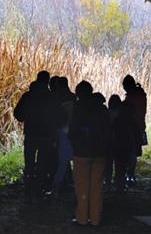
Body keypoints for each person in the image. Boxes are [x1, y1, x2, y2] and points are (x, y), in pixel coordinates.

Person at [68, 81, 109, 226]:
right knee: (96, 186)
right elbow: (108, 130)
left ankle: (82, 218)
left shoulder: (78, 108)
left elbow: (72, 130)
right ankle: (96, 218)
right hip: (99, 153)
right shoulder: (102, 109)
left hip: (81, 152)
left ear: (78, 94)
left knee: (82, 186)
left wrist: (74, 143)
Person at [14, 71, 57, 202]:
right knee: (42, 164)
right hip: (46, 136)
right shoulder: (51, 97)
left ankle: (28, 191)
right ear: (47, 81)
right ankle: (39, 191)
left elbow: (18, 114)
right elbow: (58, 117)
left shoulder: (28, 96)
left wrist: (28, 118)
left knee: (29, 164)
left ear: (37, 79)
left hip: (31, 134)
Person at [49, 76, 74, 194]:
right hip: (74, 132)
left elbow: (58, 118)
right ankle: (71, 183)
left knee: (62, 161)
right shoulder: (74, 98)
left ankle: (56, 187)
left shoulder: (58, 99)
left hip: (63, 132)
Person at [122, 75, 147, 186]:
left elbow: (129, 112)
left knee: (129, 152)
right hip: (139, 126)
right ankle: (131, 175)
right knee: (133, 153)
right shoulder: (141, 95)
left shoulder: (132, 97)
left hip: (132, 127)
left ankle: (129, 175)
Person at [112, 101, 138, 194]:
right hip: (128, 147)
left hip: (118, 147)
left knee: (119, 168)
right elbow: (136, 136)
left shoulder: (116, 120)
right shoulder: (132, 122)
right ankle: (122, 186)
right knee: (127, 167)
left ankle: (119, 187)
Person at [104, 94, 122, 189]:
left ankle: (108, 182)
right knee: (119, 164)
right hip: (119, 142)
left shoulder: (106, 113)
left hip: (108, 141)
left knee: (108, 164)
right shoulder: (122, 114)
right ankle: (118, 183)